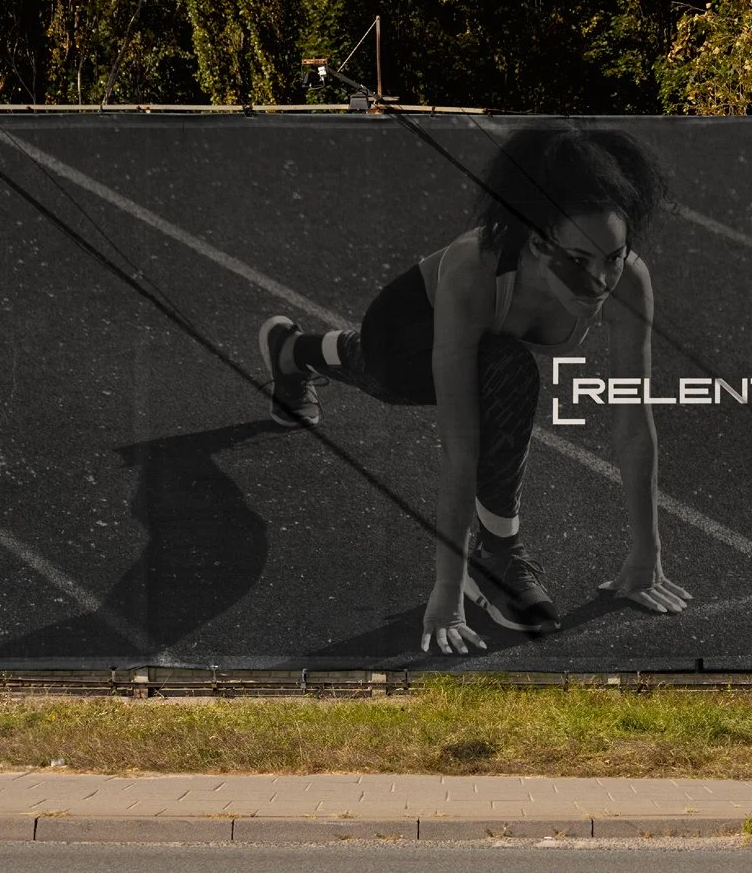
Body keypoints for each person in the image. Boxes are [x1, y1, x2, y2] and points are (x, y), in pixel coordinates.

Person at [257, 126, 691, 654]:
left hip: (481, 347)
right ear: (538, 242)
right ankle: (496, 555)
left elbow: (632, 421)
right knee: (407, 370)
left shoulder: (628, 280)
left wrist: (645, 555)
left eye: (614, 256)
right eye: (579, 261)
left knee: (498, 367)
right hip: (405, 330)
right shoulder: (475, 268)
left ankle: (290, 350)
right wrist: (446, 592)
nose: (600, 281)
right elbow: (460, 447)